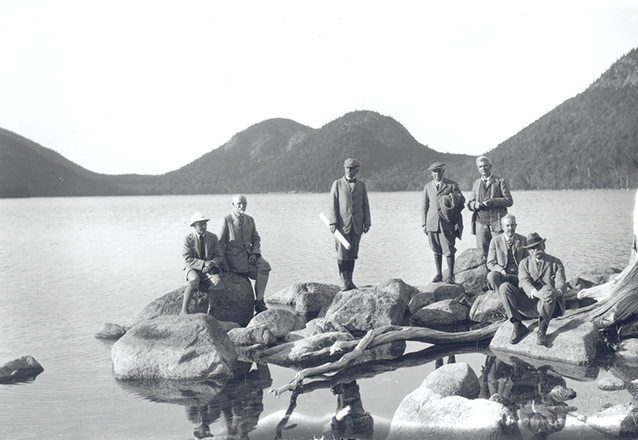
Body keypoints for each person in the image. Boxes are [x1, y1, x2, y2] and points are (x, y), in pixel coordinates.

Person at [500, 232, 567, 346]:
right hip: (527, 304)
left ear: (544, 246)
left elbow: (561, 281)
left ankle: (542, 331)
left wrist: (557, 292)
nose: (536, 250)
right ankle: (518, 326)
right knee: (504, 287)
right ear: (529, 251)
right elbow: (524, 282)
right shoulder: (524, 263)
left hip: (549, 304)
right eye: (532, 248)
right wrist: (536, 293)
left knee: (547, 288)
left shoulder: (556, 262)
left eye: (538, 246)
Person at [216, 195, 271, 314]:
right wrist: (224, 263)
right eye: (239, 204)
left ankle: (259, 301)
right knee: (258, 273)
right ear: (233, 205)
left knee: (265, 267)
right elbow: (220, 244)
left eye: (244, 203)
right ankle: (258, 302)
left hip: (250, 256)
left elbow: (256, 239)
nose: (242, 206)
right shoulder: (226, 220)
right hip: (234, 259)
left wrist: (255, 253)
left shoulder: (250, 219)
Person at [328, 158, 371, 291]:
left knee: (352, 253)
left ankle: (350, 281)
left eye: (352, 169)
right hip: (341, 225)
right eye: (347, 168)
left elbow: (366, 205)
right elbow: (333, 204)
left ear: (357, 170)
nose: (349, 171)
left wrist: (367, 222)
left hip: (357, 225)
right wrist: (333, 222)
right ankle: (343, 282)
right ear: (344, 169)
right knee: (342, 254)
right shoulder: (337, 184)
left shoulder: (362, 185)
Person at [421, 162, 465, 284]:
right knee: (436, 249)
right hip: (432, 222)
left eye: (439, 171)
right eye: (434, 172)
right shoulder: (428, 187)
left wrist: (451, 198)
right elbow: (424, 207)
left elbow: (461, 201)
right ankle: (439, 274)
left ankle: (451, 275)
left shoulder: (452, 185)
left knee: (448, 248)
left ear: (443, 172)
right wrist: (424, 224)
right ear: (431, 174)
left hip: (447, 221)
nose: (437, 174)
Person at [467, 156, 514, 259]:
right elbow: (470, 203)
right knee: (483, 252)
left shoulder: (500, 181)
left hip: (496, 222)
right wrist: (476, 205)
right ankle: (486, 274)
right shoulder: (476, 184)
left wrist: (493, 202)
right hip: (480, 223)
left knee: (500, 251)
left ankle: (500, 273)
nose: (483, 168)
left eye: (485, 166)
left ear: (490, 166)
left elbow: (509, 201)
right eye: (480, 166)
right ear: (478, 168)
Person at [181, 212, 224, 315]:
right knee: (194, 280)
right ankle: (184, 309)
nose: (203, 226)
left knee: (217, 282)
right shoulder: (188, 239)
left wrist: (212, 264)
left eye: (204, 223)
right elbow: (187, 259)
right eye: (200, 224)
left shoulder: (213, 237)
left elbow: (219, 256)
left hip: (209, 269)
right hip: (192, 268)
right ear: (194, 226)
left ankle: (211, 310)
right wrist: (204, 264)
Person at [486, 214, 527, 292]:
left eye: (512, 225)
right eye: (507, 226)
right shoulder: (495, 241)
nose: (510, 228)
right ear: (502, 227)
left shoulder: (523, 240)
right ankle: (502, 297)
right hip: (503, 274)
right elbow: (490, 263)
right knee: (491, 276)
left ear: (516, 226)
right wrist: (501, 270)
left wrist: (522, 272)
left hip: (519, 275)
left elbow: (528, 260)